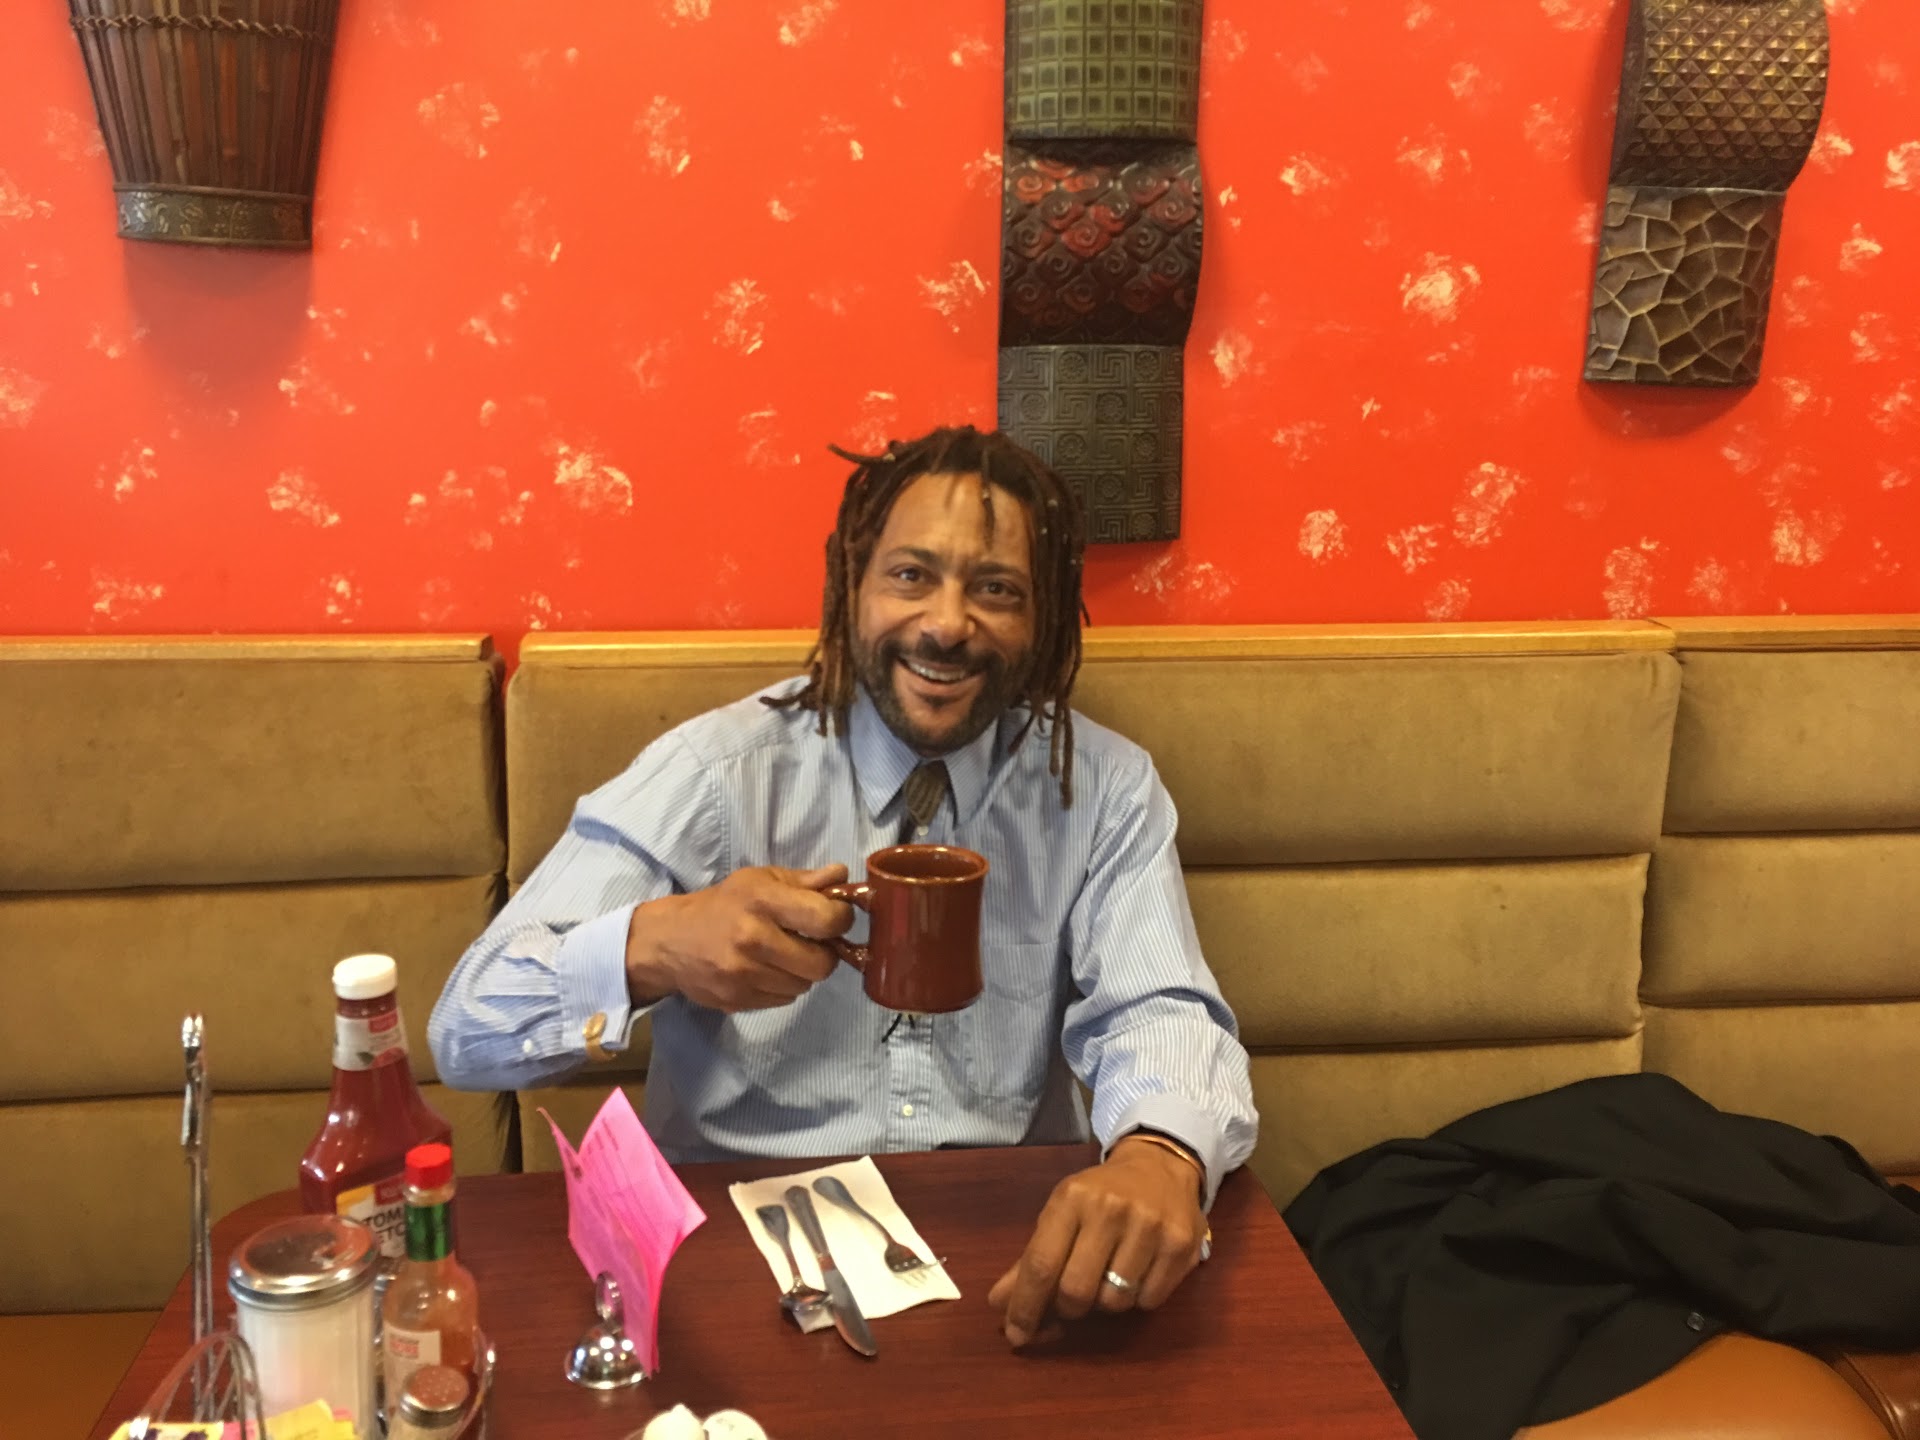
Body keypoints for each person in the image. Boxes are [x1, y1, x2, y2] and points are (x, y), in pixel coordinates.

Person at [429, 424, 1257, 1346]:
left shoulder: (1101, 789)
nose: (947, 624)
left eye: (996, 589)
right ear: (851, 584)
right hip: (732, 1253)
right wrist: (653, 947)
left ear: (1045, 617)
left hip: (1000, 1249)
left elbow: (1157, 1007)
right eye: (911, 575)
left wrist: (1161, 1154)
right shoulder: (715, 774)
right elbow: (466, 1032)